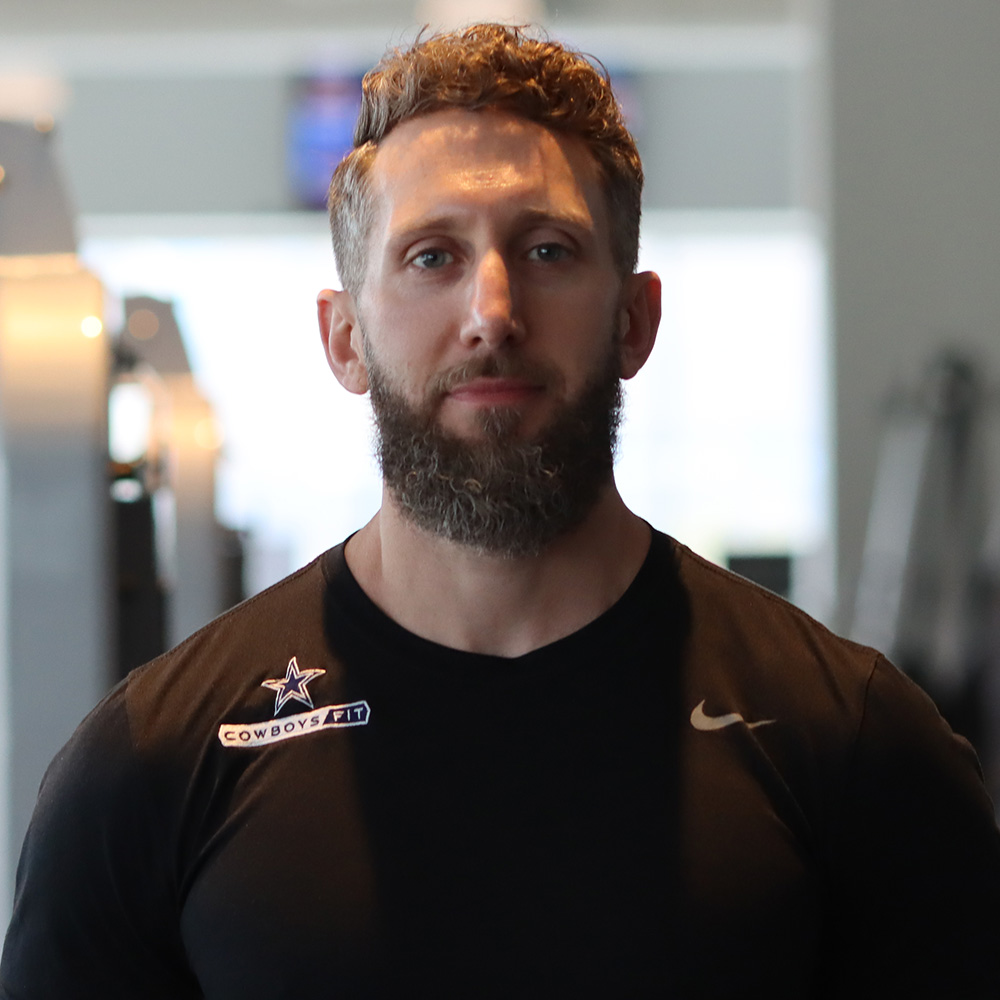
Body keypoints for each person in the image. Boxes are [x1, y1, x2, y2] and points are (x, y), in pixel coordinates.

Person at [2, 22, 999, 999]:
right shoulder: (152, 766)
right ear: (344, 339)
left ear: (635, 319)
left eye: (548, 250)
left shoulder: (850, 742)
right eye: (432, 256)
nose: (492, 311)